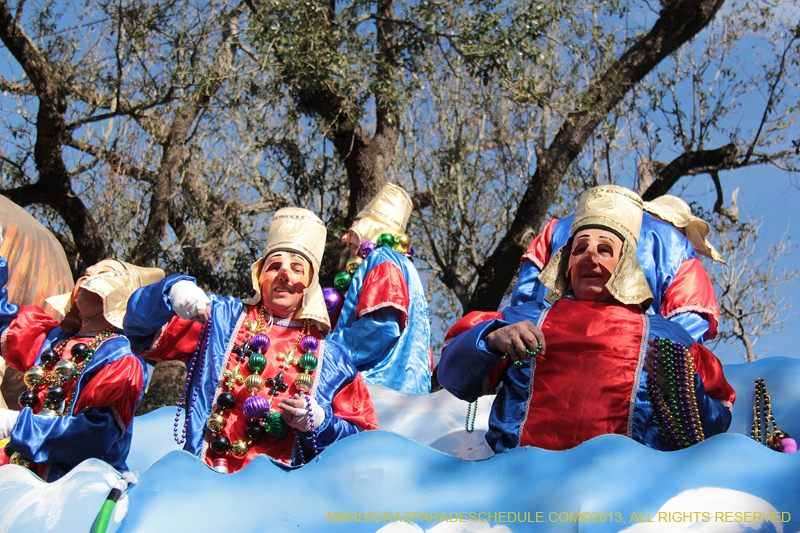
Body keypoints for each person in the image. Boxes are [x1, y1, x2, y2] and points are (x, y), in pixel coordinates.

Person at [439, 185, 735, 454]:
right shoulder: (523, 321)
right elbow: (454, 379)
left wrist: (682, 390)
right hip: (518, 493)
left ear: (625, 266)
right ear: (566, 264)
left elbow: (714, 426)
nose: (589, 257)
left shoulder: (668, 340)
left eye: (604, 249)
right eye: (580, 249)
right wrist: (490, 340)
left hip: (627, 501)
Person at [124, 208, 378, 473]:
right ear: (260, 276)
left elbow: (363, 441)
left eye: (297, 268)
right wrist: (169, 291)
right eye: (274, 266)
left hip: (284, 499)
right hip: (205, 483)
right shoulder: (220, 320)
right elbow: (139, 331)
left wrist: (320, 423)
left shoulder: (332, 358)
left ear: (310, 282)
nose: (284, 275)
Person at [0, 231, 162, 481]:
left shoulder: (122, 359)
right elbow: (3, 321)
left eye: (104, 272)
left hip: (75, 494)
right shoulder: (53, 341)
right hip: (18, 475)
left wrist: (16, 425)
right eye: (89, 270)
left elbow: (93, 435)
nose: (88, 271)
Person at [511, 195, 719, 343]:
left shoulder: (555, 228)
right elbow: (690, 320)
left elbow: (525, 292)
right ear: (680, 227)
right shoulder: (677, 244)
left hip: (542, 353)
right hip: (633, 371)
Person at [327, 183, 431, 394]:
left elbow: (381, 328)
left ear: (372, 229)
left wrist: (327, 349)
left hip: (374, 391)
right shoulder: (405, 267)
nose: (346, 240)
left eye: (356, 227)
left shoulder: (382, 258)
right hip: (405, 393)